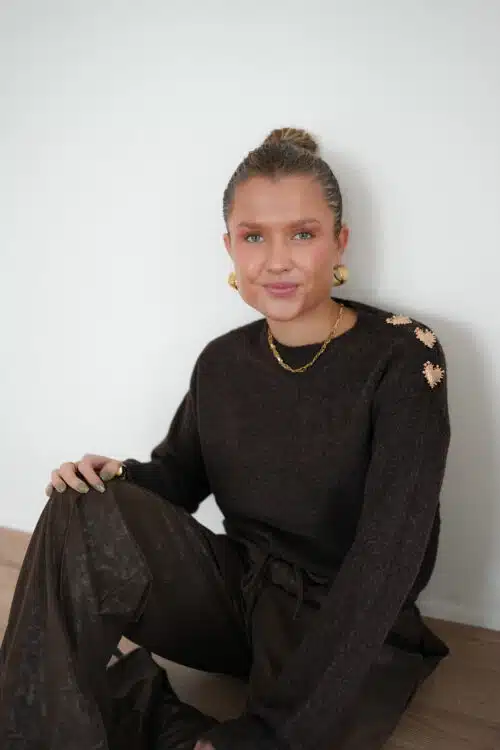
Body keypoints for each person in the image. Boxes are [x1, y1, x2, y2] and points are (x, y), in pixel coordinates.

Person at [0, 127, 451, 750]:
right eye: (254, 236)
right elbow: (177, 479)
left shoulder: (403, 356)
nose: (276, 261)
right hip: (239, 601)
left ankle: (154, 716)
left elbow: (389, 557)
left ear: (339, 241)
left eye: (303, 234)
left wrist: (267, 732)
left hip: (349, 626)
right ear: (229, 247)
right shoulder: (221, 361)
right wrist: (111, 479)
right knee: (79, 504)